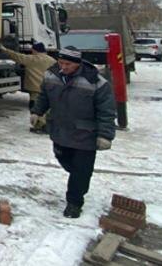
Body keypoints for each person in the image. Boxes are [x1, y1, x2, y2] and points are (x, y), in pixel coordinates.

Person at [31, 46, 117, 218]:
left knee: (81, 171)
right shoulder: (51, 75)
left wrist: (105, 135)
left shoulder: (96, 82)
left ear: (78, 63)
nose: (63, 67)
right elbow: (44, 96)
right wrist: (37, 111)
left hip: (85, 135)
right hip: (60, 131)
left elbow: (106, 111)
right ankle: (79, 179)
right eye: (61, 62)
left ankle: (74, 203)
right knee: (63, 158)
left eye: (68, 64)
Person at [0, 42, 56, 133]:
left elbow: (17, 56)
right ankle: (45, 125)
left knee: (35, 107)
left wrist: (5, 50)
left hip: (35, 89)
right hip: (48, 88)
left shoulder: (31, 59)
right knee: (46, 107)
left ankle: (41, 126)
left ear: (35, 50)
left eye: (32, 50)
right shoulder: (52, 60)